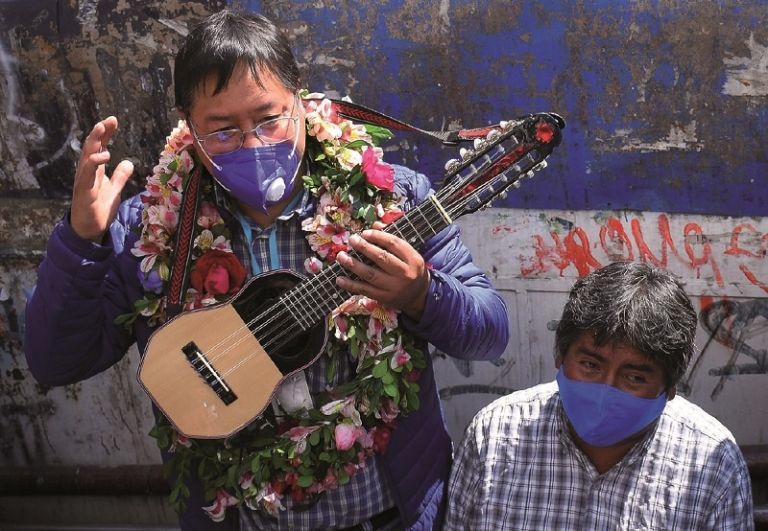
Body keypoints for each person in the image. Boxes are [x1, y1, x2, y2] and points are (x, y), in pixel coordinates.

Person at [24, 8, 509, 531]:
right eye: (224, 130)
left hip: (387, 515)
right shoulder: (148, 232)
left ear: (302, 101)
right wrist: (81, 243)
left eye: (269, 119)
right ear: (188, 125)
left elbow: (489, 333)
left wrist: (421, 295)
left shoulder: (393, 202)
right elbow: (55, 362)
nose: (253, 144)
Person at [444, 261, 754, 530]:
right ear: (560, 356)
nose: (606, 389)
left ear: (670, 387)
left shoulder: (712, 464)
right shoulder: (494, 434)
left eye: (634, 377)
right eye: (590, 365)